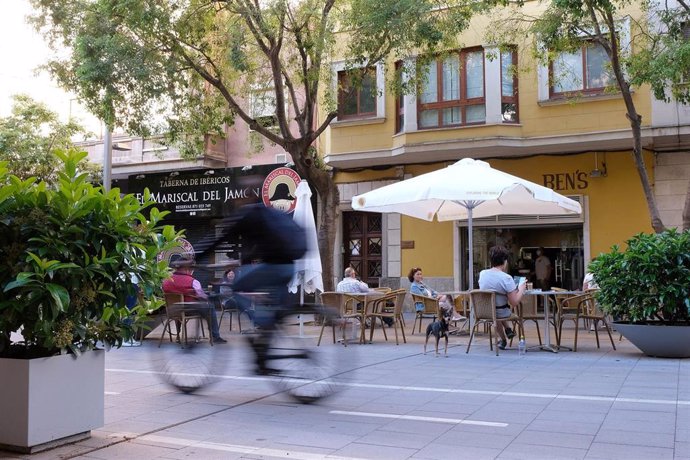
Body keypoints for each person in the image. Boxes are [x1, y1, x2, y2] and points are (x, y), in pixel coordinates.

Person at [162, 256, 227, 343]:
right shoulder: (193, 281)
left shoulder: (166, 281)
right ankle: (215, 337)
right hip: (189, 310)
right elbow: (202, 296)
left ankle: (178, 335)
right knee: (210, 307)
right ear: (187, 268)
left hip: (173, 310)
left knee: (180, 308)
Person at [478, 245, 527, 350]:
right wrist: (522, 288)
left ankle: (504, 337)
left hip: (484, 311)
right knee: (501, 310)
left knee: (496, 307)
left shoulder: (482, 274)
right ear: (505, 261)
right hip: (500, 312)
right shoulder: (506, 278)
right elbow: (514, 302)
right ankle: (508, 330)